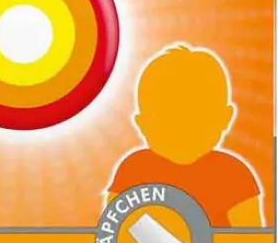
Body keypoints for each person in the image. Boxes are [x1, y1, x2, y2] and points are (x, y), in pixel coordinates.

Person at [107, 44, 263, 227]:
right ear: (142, 124)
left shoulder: (234, 176)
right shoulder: (133, 171)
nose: (181, 131)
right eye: (167, 120)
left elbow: (253, 239)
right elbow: (109, 231)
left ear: (225, 118)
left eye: (195, 117)